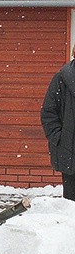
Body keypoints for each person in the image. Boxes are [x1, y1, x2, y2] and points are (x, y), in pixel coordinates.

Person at [40, 46, 75, 201]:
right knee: (71, 205)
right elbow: (48, 112)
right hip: (69, 151)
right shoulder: (62, 79)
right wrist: (59, 139)